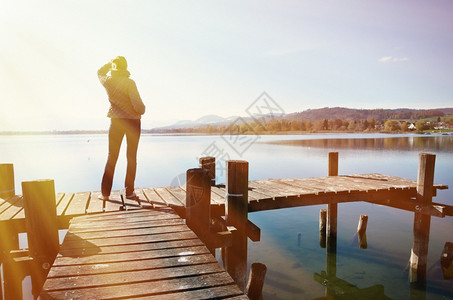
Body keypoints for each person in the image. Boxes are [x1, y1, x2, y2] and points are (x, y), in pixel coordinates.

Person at [97, 56, 146, 200]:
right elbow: (139, 107)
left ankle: (105, 194)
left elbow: (99, 72)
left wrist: (110, 64)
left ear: (114, 67)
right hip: (132, 122)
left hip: (116, 122)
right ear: (126, 67)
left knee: (112, 156)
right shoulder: (129, 83)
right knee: (131, 157)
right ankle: (129, 192)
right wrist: (141, 109)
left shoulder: (108, 81)